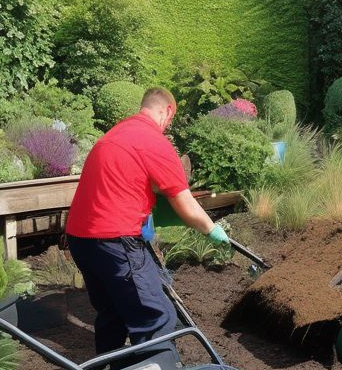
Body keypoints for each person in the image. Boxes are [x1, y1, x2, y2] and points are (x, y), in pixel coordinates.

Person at [66, 87, 229, 354]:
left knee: (113, 311)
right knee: (157, 315)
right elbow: (187, 206)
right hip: (115, 240)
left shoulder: (115, 134)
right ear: (166, 111)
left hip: (81, 240)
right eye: (170, 120)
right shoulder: (153, 141)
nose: (167, 127)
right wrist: (212, 230)